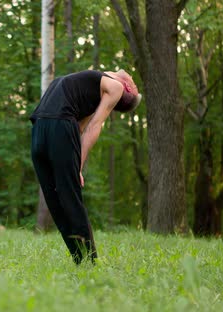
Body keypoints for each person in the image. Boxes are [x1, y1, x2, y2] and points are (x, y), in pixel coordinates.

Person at [29, 69, 141, 264]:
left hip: (47, 127)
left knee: (68, 198)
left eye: (135, 85)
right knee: (55, 200)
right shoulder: (91, 87)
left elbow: (93, 127)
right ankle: (80, 258)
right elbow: (81, 126)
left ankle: (88, 261)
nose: (132, 77)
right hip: (44, 125)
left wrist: (77, 166)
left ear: (128, 89)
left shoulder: (114, 87)